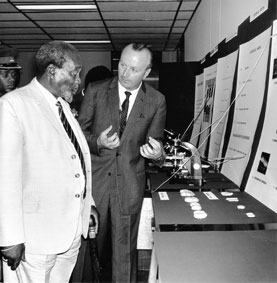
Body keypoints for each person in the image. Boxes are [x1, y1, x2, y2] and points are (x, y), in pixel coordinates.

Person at [0, 40, 98, 283]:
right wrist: (9, 238)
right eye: (74, 73)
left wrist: (89, 204)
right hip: (36, 236)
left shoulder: (62, 106)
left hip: (69, 231)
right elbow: (5, 175)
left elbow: (77, 160)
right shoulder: (13, 105)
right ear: (52, 70)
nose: (78, 80)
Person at [78, 43, 166, 282]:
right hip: (95, 185)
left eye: (134, 69)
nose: (125, 74)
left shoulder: (156, 101)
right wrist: (98, 142)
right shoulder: (96, 91)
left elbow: (156, 146)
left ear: (147, 73)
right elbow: (76, 138)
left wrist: (157, 153)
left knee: (124, 252)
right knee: (86, 249)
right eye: (122, 65)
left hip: (128, 187)